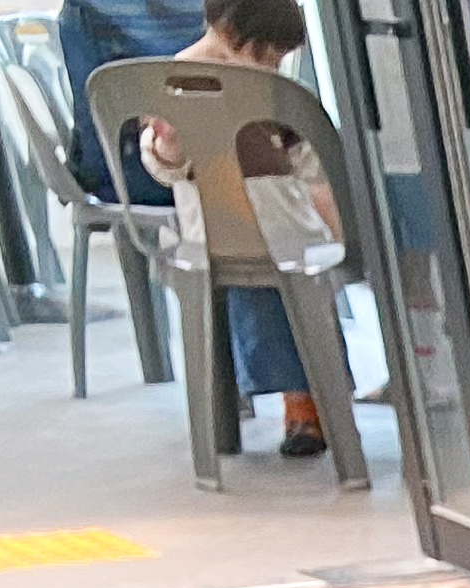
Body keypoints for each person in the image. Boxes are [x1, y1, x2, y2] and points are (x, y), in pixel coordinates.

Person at [124, 0, 336, 459]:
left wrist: (333, 224)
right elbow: (165, 165)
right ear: (229, 29)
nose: (271, 66)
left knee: (281, 281)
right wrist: (167, 144)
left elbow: (307, 159)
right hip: (222, 228)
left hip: (283, 224)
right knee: (257, 284)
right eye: (265, 54)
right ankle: (299, 400)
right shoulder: (177, 79)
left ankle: (303, 397)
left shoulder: (269, 86)